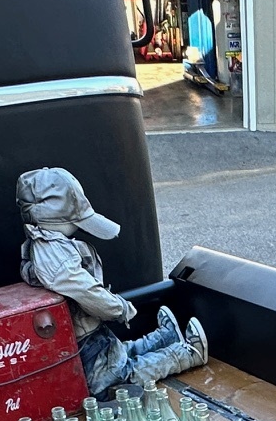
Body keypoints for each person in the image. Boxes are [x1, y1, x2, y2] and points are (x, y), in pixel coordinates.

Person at [16, 166, 207, 397]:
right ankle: (184, 352)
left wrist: (116, 307)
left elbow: (82, 289)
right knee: (119, 372)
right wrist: (119, 308)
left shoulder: (45, 246)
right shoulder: (53, 255)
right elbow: (85, 289)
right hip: (84, 338)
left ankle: (173, 343)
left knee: (118, 360)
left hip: (86, 335)